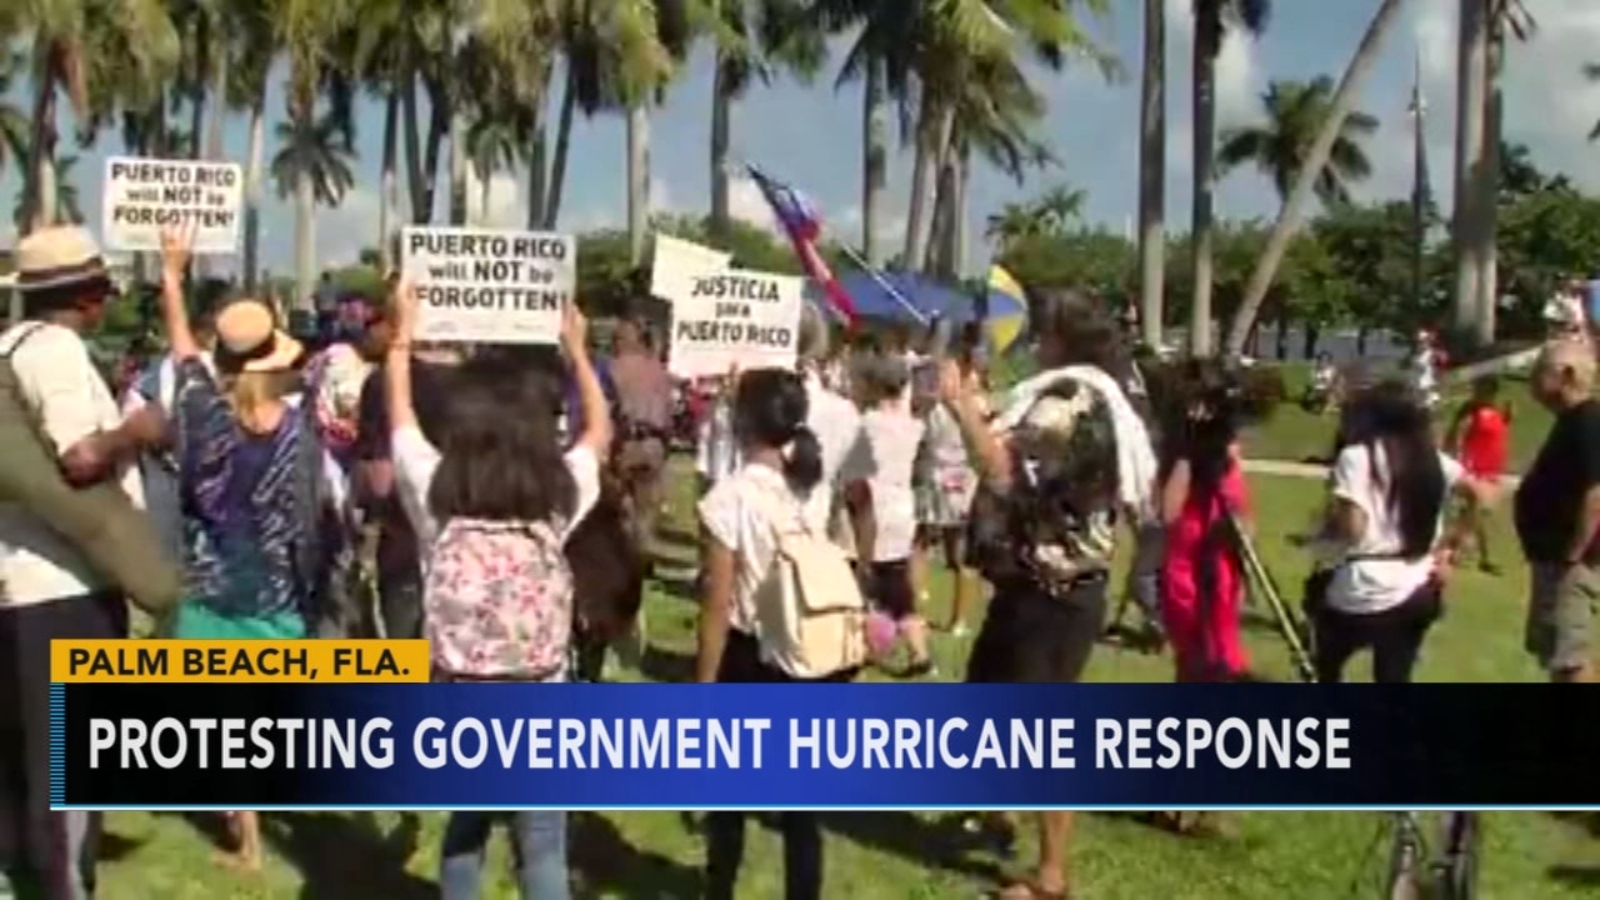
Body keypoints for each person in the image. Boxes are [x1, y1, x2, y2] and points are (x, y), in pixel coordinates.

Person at [387, 282, 608, 900]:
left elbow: (401, 420)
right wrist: (578, 353)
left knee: (466, 831)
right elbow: (600, 432)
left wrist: (402, 335)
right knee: (542, 846)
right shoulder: (556, 501)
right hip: (540, 699)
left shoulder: (436, 498)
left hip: (459, 702)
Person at [938, 287, 1156, 900]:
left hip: (1051, 595)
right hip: (1048, 588)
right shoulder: (1099, 394)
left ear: (1063, 340)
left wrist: (959, 406)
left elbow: (1003, 471)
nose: (1034, 345)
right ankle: (999, 808)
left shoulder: (1065, 400)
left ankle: (1053, 875)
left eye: (1042, 334)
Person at [0, 225, 165, 900]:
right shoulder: (61, 353)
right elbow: (80, 457)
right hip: (67, 590)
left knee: (15, 761)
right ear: (90, 297)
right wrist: (141, 429)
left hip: (15, 586)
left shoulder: (7, 347)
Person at [694, 367, 858, 900]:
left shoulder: (730, 499)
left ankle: (719, 890)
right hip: (806, 657)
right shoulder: (804, 489)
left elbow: (717, 607)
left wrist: (703, 689)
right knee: (801, 809)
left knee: (728, 800)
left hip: (749, 657)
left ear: (741, 421)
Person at [1308, 380, 1477, 684]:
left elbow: (1354, 529)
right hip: (1419, 583)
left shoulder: (1357, 457)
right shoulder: (1432, 459)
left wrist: (1331, 520)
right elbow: (1481, 494)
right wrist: (1450, 548)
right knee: (1395, 675)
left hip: (1365, 584)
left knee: (1326, 656)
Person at [352, 327, 460, 641]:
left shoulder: (380, 381)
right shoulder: (480, 384)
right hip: (464, 534)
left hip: (401, 531)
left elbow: (378, 474)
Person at [1158, 360, 1252, 684]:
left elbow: (1244, 519)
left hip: (1220, 567)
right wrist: (1187, 450)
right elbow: (1168, 511)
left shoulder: (1228, 453)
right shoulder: (1175, 452)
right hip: (1184, 571)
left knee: (1222, 656)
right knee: (1192, 658)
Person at [1515, 340, 1600, 684]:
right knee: (1556, 653)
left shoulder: (1588, 422)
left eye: (1539, 371)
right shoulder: (1570, 422)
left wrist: (1573, 557)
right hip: (1553, 559)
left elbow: (1596, 494)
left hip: (1570, 565)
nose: (1532, 380)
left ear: (1566, 375)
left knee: (1569, 659)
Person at [852, 353, 933, 676]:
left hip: (872, 509)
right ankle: (919, 651)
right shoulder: (915, 426)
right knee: (899, 589)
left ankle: (860, 646)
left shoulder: (866, 423)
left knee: (861, 582)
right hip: (902, 509)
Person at [913, 338, 983, 637]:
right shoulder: (942, 405)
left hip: (950, 478)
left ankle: (955, 617)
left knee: (946, 550)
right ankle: (923, 609)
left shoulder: (943, 405)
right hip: (950, 478)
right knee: (927, 546)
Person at [608, 318, 673, 554]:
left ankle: (627, 556)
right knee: (646, 510)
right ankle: (642, 555)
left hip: (624, 445)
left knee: (621, 508)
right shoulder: (659, 371)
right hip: (654, 445)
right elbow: (670, 414)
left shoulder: (612, 368)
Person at [1447, 375, 1512, 575]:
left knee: (1479, 515)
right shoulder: (1470, 411)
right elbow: (1456, 435)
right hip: (1474, 469)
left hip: (1492, 469)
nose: (1478, 393)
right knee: (1476, 511)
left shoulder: (1496, 411)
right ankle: (1457, 550)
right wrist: (1458, 462)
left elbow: (1498, 434)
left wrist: (1507, 418)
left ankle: (1481, 555)